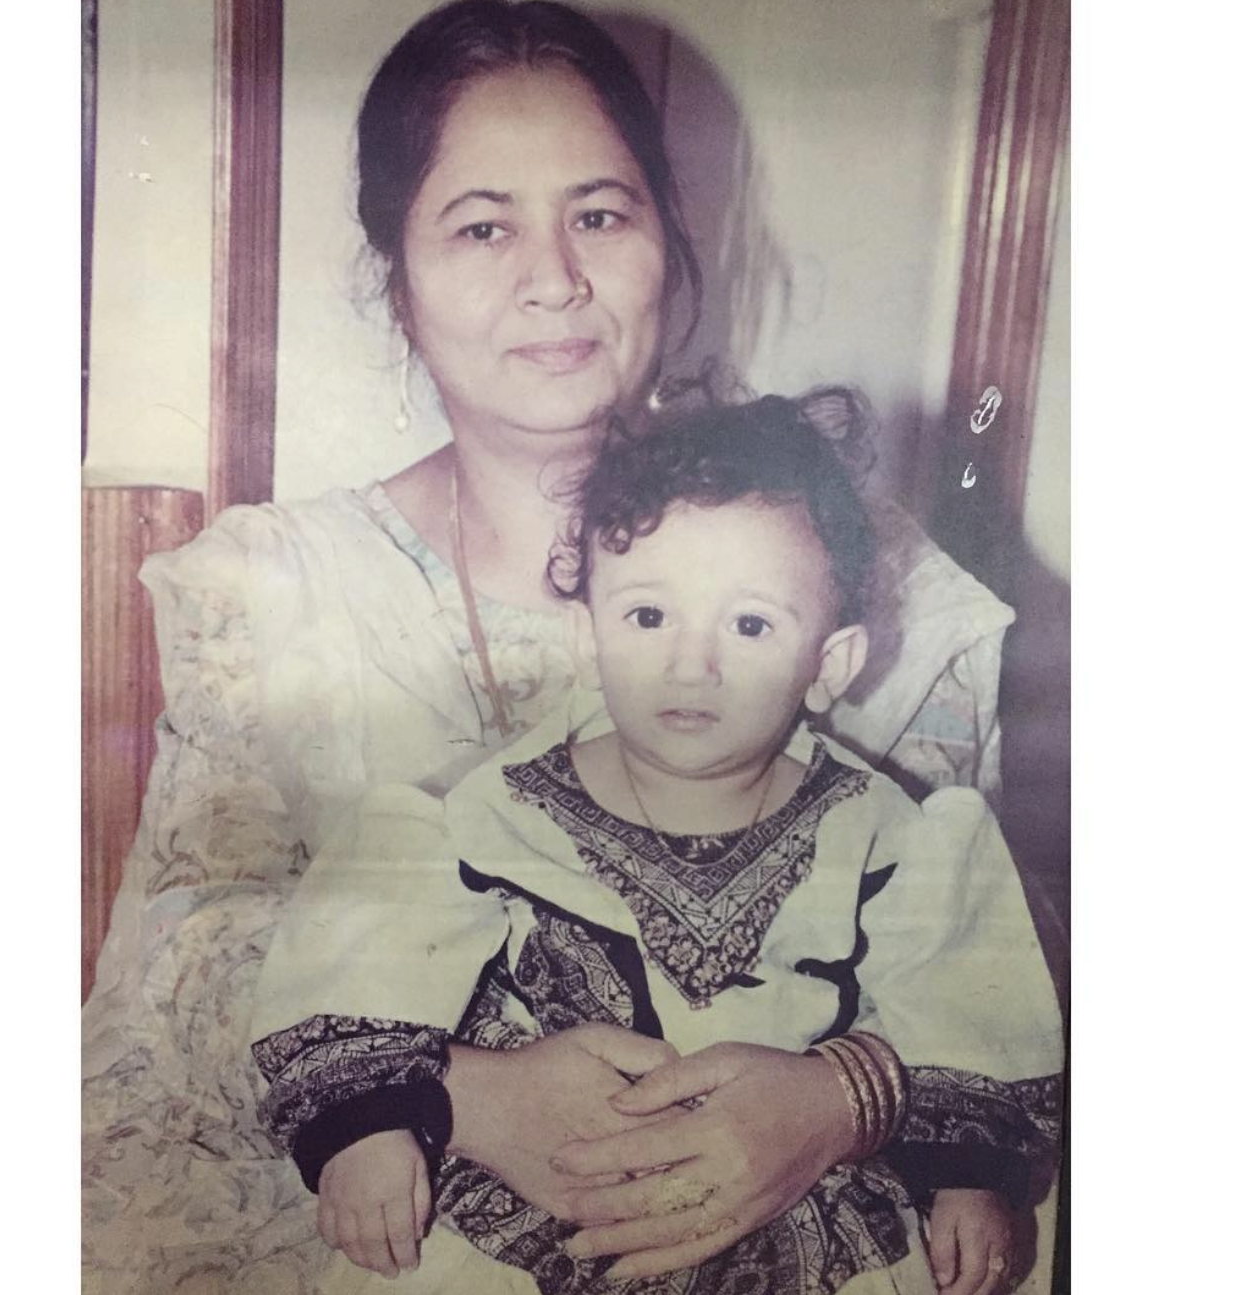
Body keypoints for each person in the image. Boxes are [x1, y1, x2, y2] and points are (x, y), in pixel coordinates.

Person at [81, 3, 1036, 1291]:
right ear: (397, 270)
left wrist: (841, 1099)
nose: (554, 277)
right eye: (482, 226)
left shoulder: (884, 580)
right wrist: (462, 1096)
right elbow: (177, 981)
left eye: (601, 213)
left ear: (669, 240)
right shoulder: (278, 592)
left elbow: (981, 945)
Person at [250, 397, 1062, 1295]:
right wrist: (372, 1128)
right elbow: (366, 970)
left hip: (794, 1203)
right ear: (588, 628)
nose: (691, 663)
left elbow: (959, 1002)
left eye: (749, 626)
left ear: (830, 665)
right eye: (647, 618)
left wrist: (968, 1181)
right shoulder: (492, 814)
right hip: (538, 1202)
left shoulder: (886, 835)